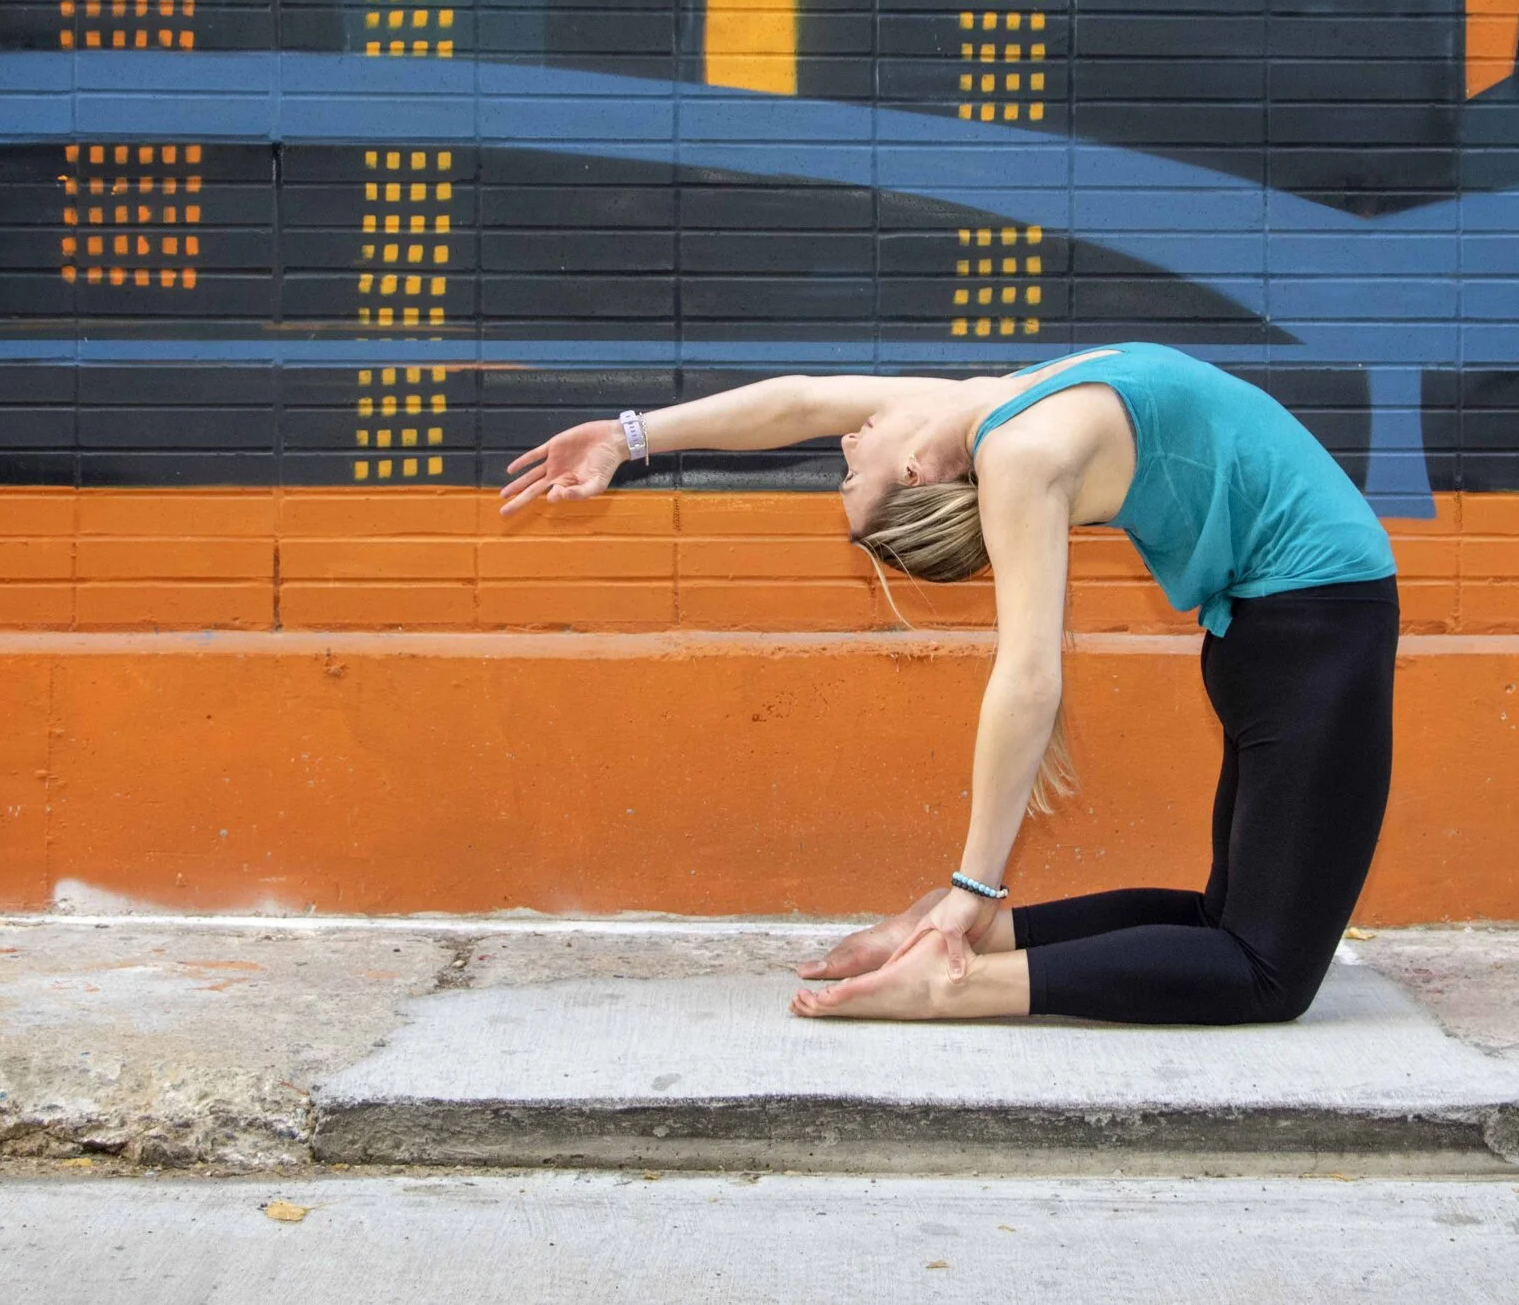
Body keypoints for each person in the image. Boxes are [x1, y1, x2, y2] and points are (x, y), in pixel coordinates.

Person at [499, 344, 1398, 1026]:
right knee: (1266, 972)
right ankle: (955, 980)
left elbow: (800, 403)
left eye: (851, 466)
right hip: (1312, 628)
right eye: (859, 466)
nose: (848, 441)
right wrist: (976, 880)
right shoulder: (1016, 444)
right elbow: (1029, 676)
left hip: (1283, 632)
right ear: (922, 474)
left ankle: (959, 943)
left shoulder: (988, 416)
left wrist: (629, 437)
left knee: (1225, 926)